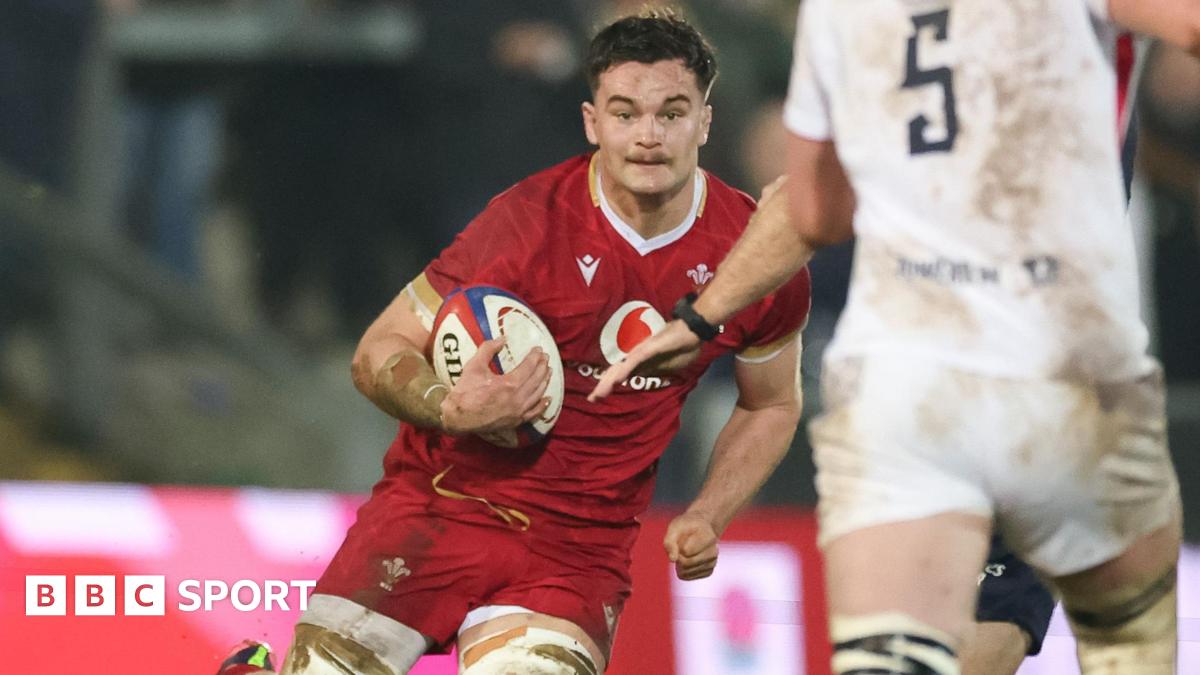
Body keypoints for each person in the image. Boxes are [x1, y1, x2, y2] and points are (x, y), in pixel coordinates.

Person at [591, 1, 1197, 673]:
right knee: (1113, 628)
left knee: (915, 640)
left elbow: (811, 208)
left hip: (900, 381)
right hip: (1043, 364)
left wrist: (701, 318)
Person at [221, 11, 814, 675]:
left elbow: (770, 404)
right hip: (436, 508)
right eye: (625, 114)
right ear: (593, 122)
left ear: (705, 122)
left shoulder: (753, 256)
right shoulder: (527, 224)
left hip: (573, 552)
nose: (648, 136)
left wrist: (709, 511)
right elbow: (377, 351)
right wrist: (451, 407)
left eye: (671, 113)